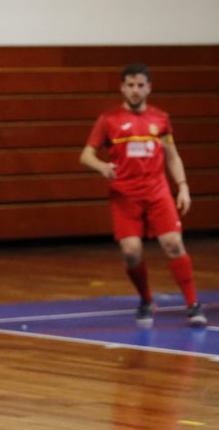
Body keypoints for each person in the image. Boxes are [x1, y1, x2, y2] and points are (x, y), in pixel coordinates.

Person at [79, 63, 207, 328]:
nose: (135, 90)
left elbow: (172, 155)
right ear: (122, 88)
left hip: (157, 192)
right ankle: (146, 299)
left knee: (173, 243)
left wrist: (182, 186)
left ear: (149, 87)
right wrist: (101, 166)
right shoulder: (108, 119)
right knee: (131, 252)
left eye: (140, 85)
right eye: (130, 85)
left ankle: (193, 303)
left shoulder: (160, 119)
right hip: (125, 196)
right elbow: (86, 155)